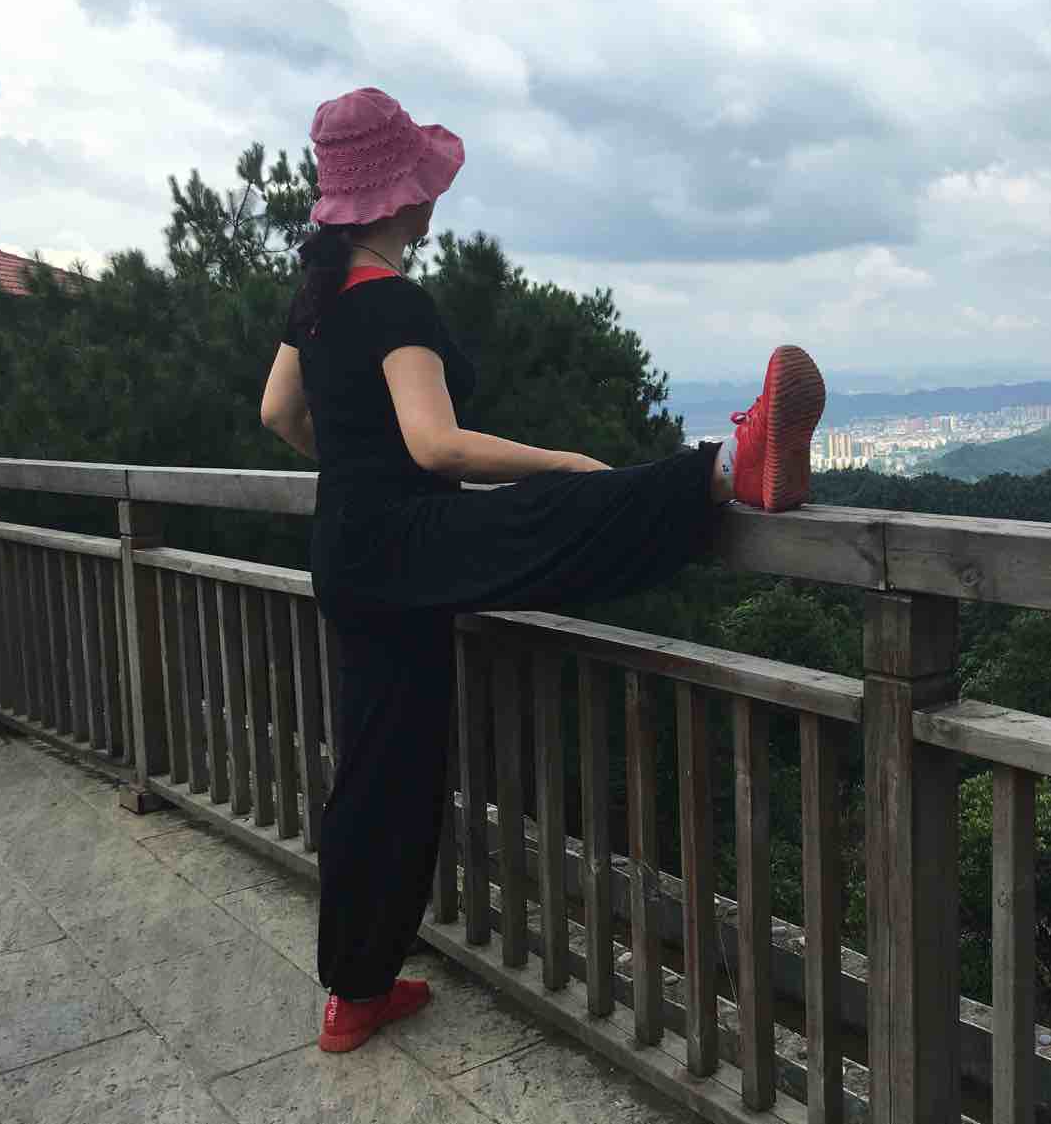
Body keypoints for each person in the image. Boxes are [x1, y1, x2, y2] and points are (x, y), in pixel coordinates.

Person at [259, 87, 825, 1053]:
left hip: (346, 552)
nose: (433, 201)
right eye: (426, 185)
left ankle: (354, 992)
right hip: (403, 544)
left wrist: (353, 470)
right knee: (552, 517)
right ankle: (730, 469)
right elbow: (437, 446)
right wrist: (559, 459)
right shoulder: (392, 301)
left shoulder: (315, 300)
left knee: (375, 771)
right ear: (404, 197)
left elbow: (279, 413)